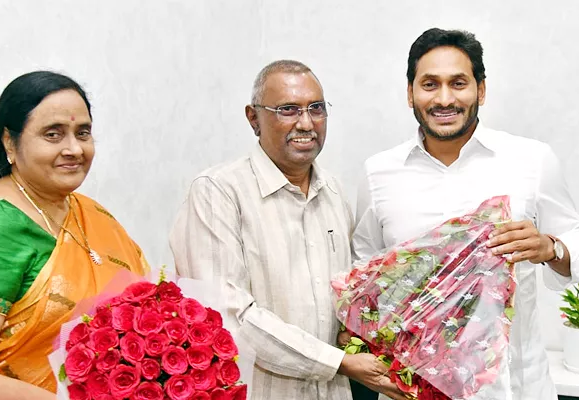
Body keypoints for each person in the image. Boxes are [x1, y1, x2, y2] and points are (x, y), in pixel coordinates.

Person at [353, 28, 579, 400]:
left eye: (459, 83)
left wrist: (550, 247)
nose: (445, 98)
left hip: (517, 387)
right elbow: (365, 274)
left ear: (481, 90)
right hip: (413, 391)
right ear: (410, 93)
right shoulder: (378, 173)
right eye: (430, 84)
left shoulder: (532, 160)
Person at [170, 60, 407, 400]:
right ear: (254, 118)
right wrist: (337, 362)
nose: (306, 123)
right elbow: (227, 316)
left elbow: (350, 298)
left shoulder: (335, 192)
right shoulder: (217, 192)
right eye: (288, 110)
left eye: (316, 109)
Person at [0, 71, 149, 398]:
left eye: (83, 133)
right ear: (9, 142)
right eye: (53, 134)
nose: (74, 149)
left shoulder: (91, 213)